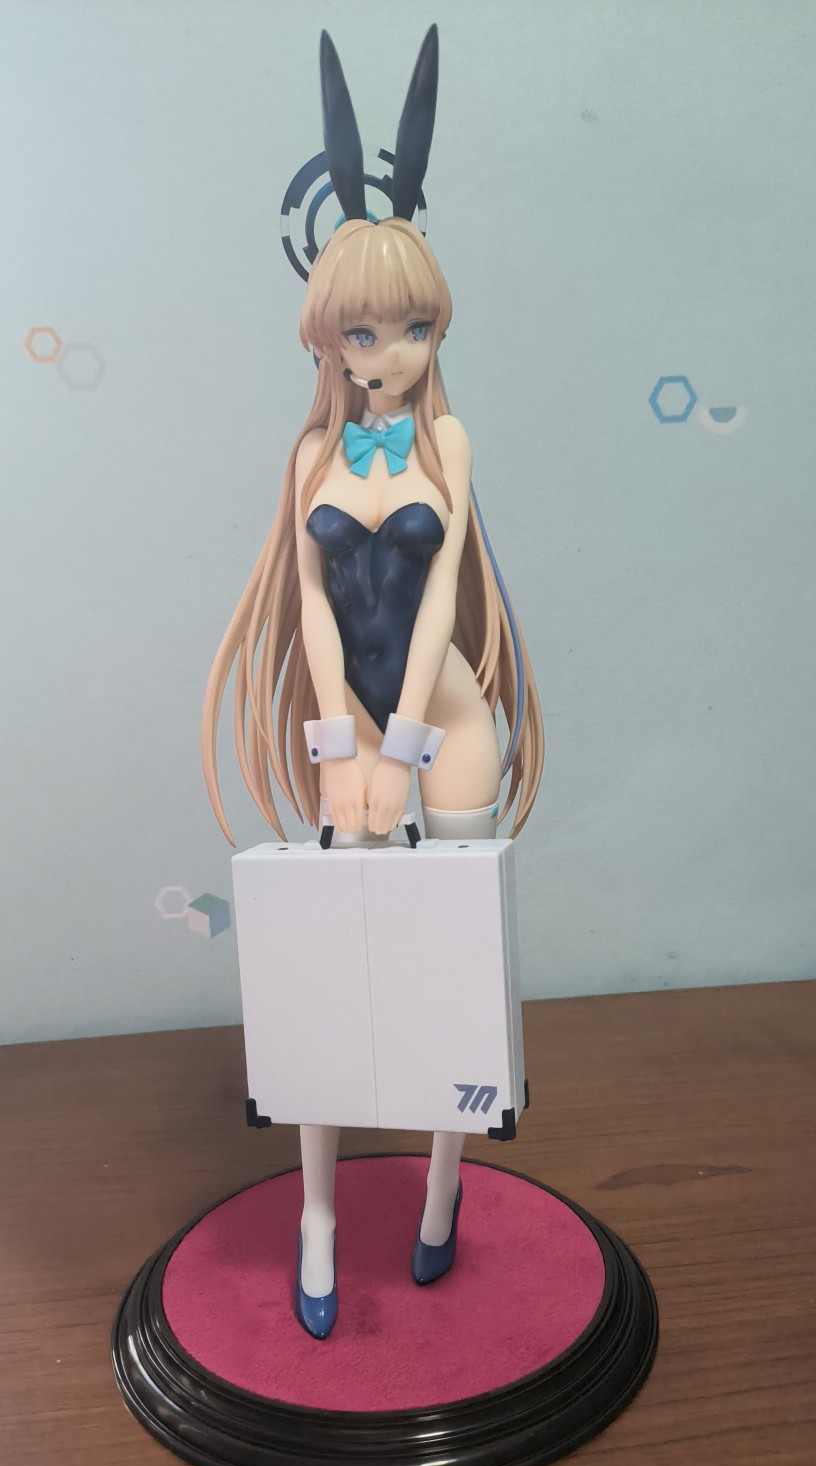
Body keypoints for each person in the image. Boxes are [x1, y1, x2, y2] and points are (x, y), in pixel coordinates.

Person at [200, 26, 543, 1337]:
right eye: (364, 329)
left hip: (445, 719)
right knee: (328, 968)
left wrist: (407, 743)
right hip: (347, 727)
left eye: (413, 327)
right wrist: (346, 743)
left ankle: (446, 1183)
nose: (389, 350)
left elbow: (446, 593)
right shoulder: (310, 461)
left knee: (453, 957)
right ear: (327, 336)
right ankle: (320, 1214)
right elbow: (311, 610)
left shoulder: (448, 435)